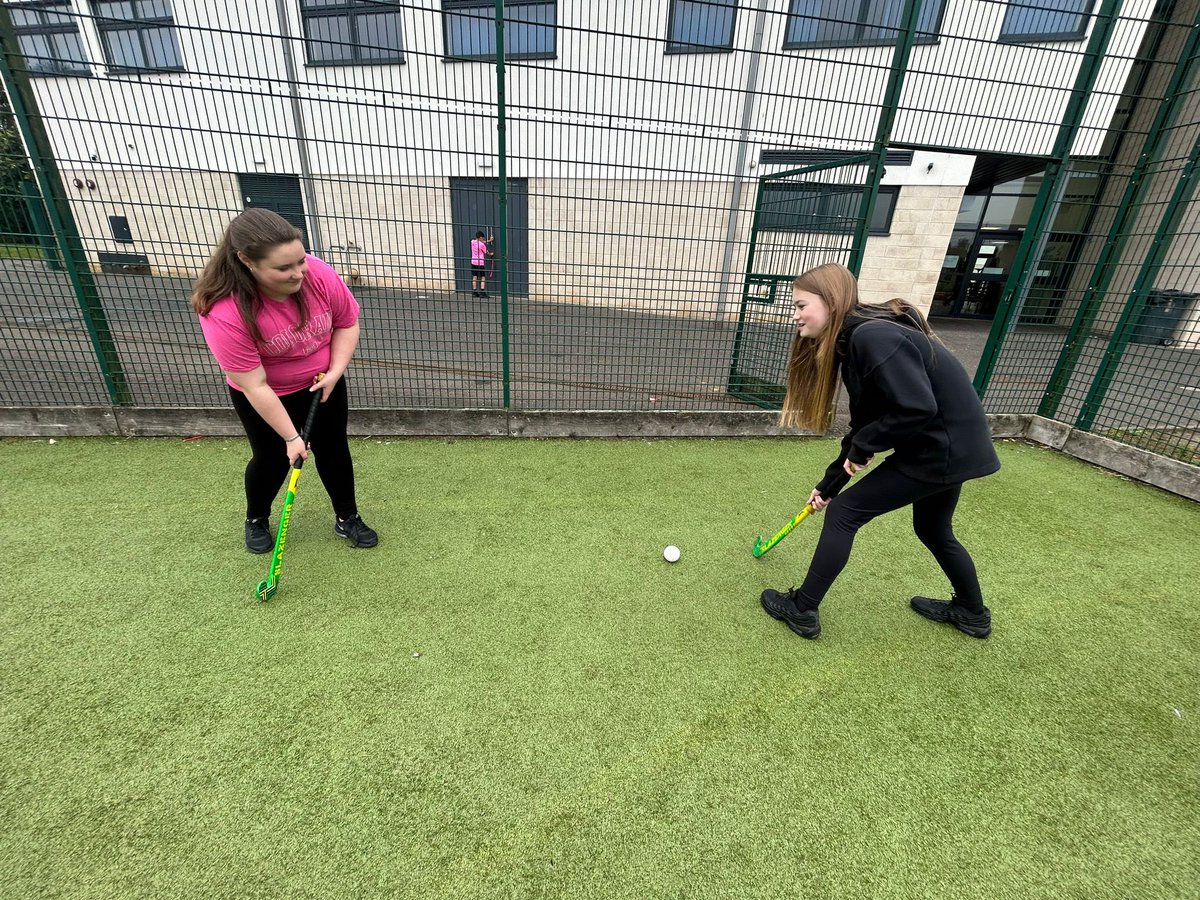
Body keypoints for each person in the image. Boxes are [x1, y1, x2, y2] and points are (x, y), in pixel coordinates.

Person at [760, 263, 999, 640]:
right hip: (951, 448)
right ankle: (972, 612)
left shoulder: (872, 336)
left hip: (939, 450)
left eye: (801, 305)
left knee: (844, 515)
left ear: (831, 302)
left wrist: (865, 448)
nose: (795, 316)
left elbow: (916, 407)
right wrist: (829, 484)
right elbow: (866, 423)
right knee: (932, 528)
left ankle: (803, 609)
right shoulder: (859, 338)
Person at [192, 208, 378, 553]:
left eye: (300, 260)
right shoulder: (223, 310)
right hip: (265, 393)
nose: (298, 273)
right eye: (283, 268)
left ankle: (347, 516)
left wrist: (335, 372)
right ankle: (256, 518)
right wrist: (291, 438)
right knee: (272, 458)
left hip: (322, 383)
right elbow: (254, 384)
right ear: (247, 260)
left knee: (334, 449)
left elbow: (346, 323)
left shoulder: (318, 274)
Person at [470, 230, 493, 297]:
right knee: (483, 277)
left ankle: (474, 292)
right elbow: (486, 252)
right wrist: (491, 254)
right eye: (482, 238)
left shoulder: (472, 242)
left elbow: (481, 242)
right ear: (480, 237)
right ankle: (482, 292)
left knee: (475, 276)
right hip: (480, 263)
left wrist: (489, 240)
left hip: (473, 262)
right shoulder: (482, 245)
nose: (483, 239)